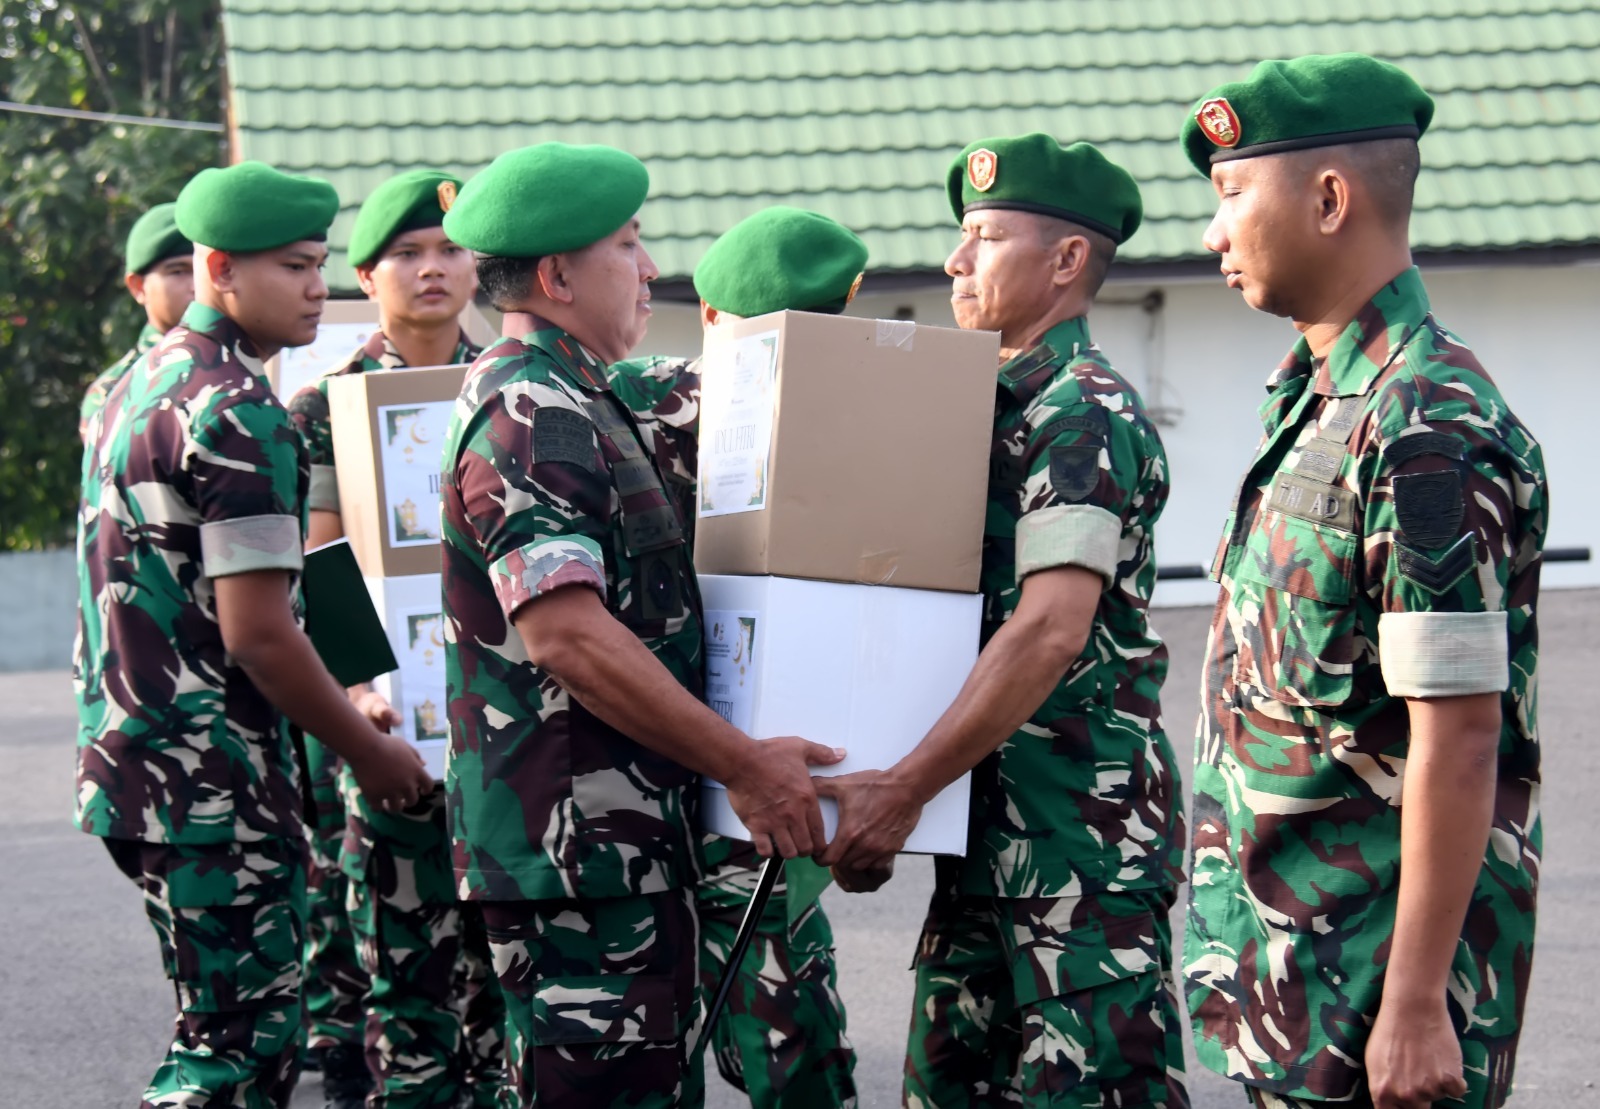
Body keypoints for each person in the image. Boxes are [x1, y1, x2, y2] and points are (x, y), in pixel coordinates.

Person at [435, 141, 845, 1107]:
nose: (652, 267)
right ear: (557, 275)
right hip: (578, 861)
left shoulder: (580, 394)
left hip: (612, 850)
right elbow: (566, 634)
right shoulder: (530, 408)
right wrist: (744, 763)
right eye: (629, 244)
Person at [1176, 53, 1546, 1109]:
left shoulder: (1422, 422)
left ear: (1329, 199)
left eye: (1232, 194)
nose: (1213, 232)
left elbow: (1462, 730)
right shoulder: (1312, 401)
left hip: (1373, 996)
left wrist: (1418, 1003)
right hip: (1289, 978)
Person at [815, 134, 1188, 1108]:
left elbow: (1049, 627)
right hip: (983, 835)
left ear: (1066, 261)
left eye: (981, 236)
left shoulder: (1082, 411)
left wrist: (898, 789)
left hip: (1078, 843)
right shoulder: (980, 408)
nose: (954, 259)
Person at [74, 160, 433, 1108]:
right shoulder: (241, 410)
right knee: (237, 1052)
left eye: (320, 264)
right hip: (209, 780)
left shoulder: (136, 384)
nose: (319, 287)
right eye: (293, 267)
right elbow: (261, 633)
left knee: (219, 1027)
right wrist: (372, 753)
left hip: (138, 766)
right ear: (221, 269)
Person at [610, 205, 866, 1109]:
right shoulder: (856, 425)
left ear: (710, 313)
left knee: (640, 1056)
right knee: (793, 1054)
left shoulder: (612, 399)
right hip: (756, 787)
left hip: (627, 797)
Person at [286, 169, 505, 1109]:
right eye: (407, 255)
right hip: (392, 716)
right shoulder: (326, 405)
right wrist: (359, 688)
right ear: (368, 276)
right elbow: (323, 552)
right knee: (404, 960)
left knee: (505, 956)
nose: (432, 270)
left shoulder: (511, 382)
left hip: (503, 718)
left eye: (451, 250)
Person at [80, 201, 194, 440]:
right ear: (138, 286)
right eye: (179, 271)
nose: (196, 286)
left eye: (203, 270)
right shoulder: (114, 392)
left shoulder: (256, 360)